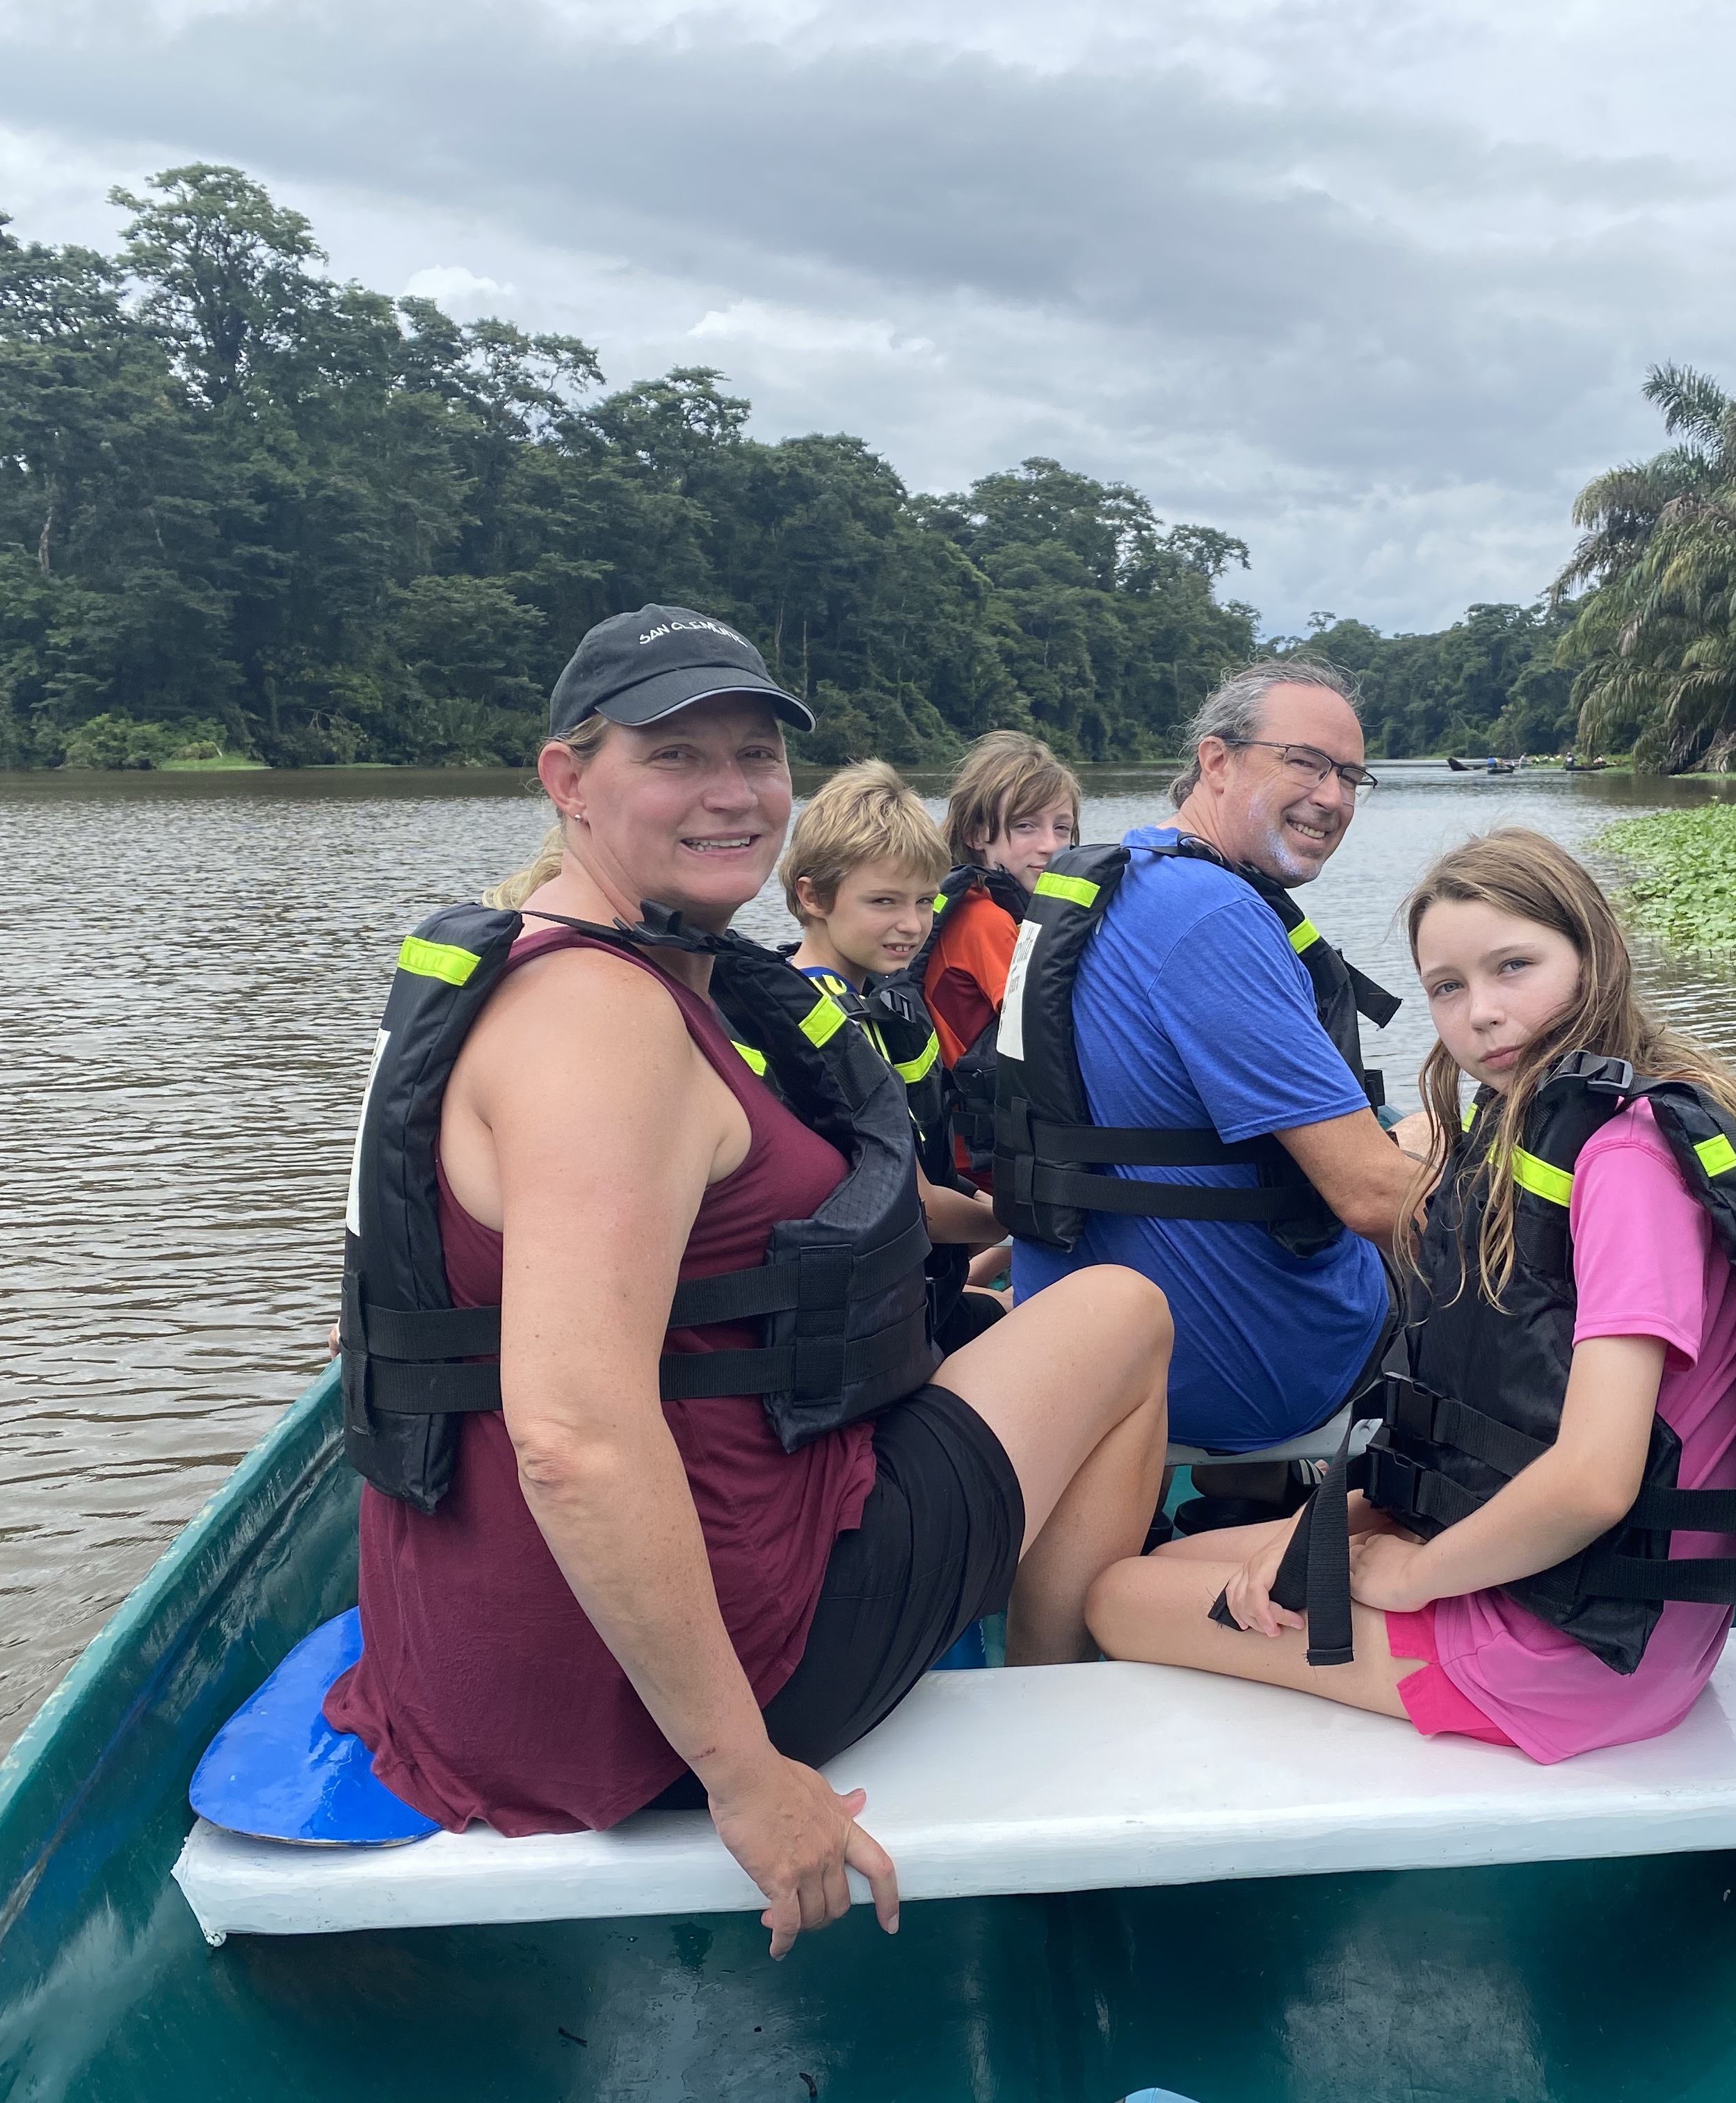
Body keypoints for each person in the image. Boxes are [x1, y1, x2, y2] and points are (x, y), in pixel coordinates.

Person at [325, 604, 1170, 1958]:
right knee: (1121, 1313)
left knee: (989, 1325)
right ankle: (1051, 1716)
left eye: (756, 756)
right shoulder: (602, 1024)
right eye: (676, 756)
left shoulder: (544, 962)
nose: (732, 793)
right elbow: (573, 1437)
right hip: (685, 1692)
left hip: (468, 1663)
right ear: (568, 779)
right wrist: (743, 1776)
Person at [1084, 828, 1736, 1763]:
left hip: (1571, 1656)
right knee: (1175, 1562)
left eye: (1514, 966)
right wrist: (1342, 1528)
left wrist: (1413, 1576)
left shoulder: (1627, 1163)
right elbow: (1499, 1427)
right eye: (1447, 987)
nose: (1482, 1014)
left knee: (1116, 1596)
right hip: (1569, 1603)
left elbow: (1595, 1481)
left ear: (1594, 953)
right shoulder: (1565, 1129)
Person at [996, 659, 1423, 1461]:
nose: (1333, 797)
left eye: (1350, 776)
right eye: (1305, 763)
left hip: (1071, 1340)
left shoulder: (1121, 873)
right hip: (1234, 1374)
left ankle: (1232, 1509)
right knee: (1439, 1169)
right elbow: (1371, 1197)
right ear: (1217, 760)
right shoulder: (1213, 915)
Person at [779, 759, 1009, 1336]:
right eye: (884, 902)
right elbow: (918, 1210)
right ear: (813, 896)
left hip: (906, 1293)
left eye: (925, 901)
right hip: (861, 1329)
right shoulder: (821, 1026)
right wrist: (1024, 1220)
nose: (912, 924)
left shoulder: (861, 1003)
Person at [921, 729, 1080, 1077]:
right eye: (1025, 825)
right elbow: (1044, 1030)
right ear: (976, 835)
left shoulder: (971, 901)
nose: (1050, 845)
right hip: (981, 1109)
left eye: (1062, 828)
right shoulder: (985, 920)